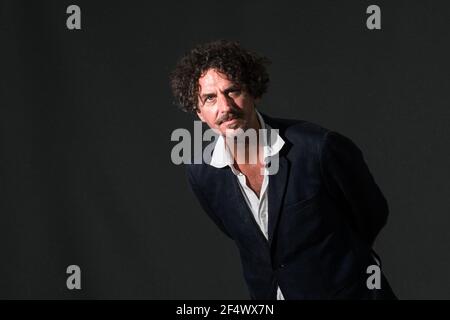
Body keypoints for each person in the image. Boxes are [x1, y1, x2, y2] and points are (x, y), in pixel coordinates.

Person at [170, 40, 397, 299]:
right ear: (199, 112)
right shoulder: (203, 172)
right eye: (210, 98)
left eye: (233, 91)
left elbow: (371, 213)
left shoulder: (317, 148)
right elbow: (249, 240)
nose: (225, 107)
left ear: (253, 92)